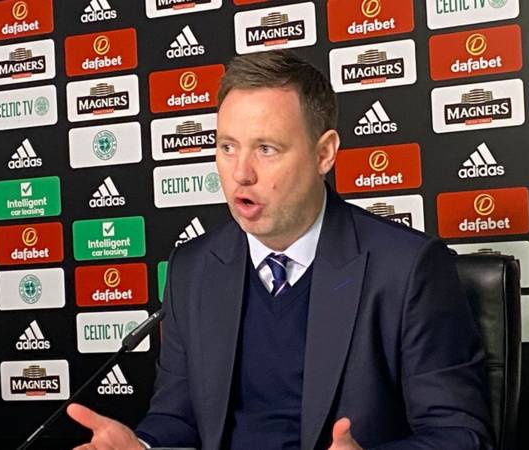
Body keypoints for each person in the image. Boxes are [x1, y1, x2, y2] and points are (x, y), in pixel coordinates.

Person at [67, 49, 493, 450]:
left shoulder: (407, 268)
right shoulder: (193, 268)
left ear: (324, 153)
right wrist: (143, 446)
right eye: (227, 147)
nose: (241, 173)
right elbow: (177, 418)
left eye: (266, 149)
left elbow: (460, 435)